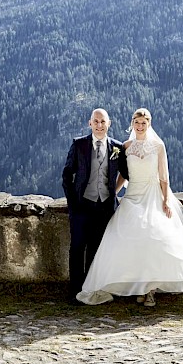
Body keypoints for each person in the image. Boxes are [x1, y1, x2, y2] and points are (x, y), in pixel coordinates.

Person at [77, 108, 183, 306]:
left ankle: (150, 290)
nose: (140, 126)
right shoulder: (125, 146)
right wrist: (114, 192)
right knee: (124, 239)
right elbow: (122, 174)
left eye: (144, 123)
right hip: (132, 195)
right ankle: (139, 287)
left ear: (149, 124)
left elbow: (164, 177)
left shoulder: (158, 146)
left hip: (152, 195)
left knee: (153, 240)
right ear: (132, 124)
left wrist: (165, 200)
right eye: (137, 123)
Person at [62, 108, 129, 303]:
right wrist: (72, 202)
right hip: (82, 206)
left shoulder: (117, 148)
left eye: (103, 122)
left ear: (109, 124)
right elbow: (67, 174)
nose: (99, 125)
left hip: (104, 207)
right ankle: (75, 292)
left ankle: (90, 290)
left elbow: (125, 174)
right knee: (76, 248)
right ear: (90, 123)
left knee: (96, 249)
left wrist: (114, 193)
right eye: (96, 121)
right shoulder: (79, 145)